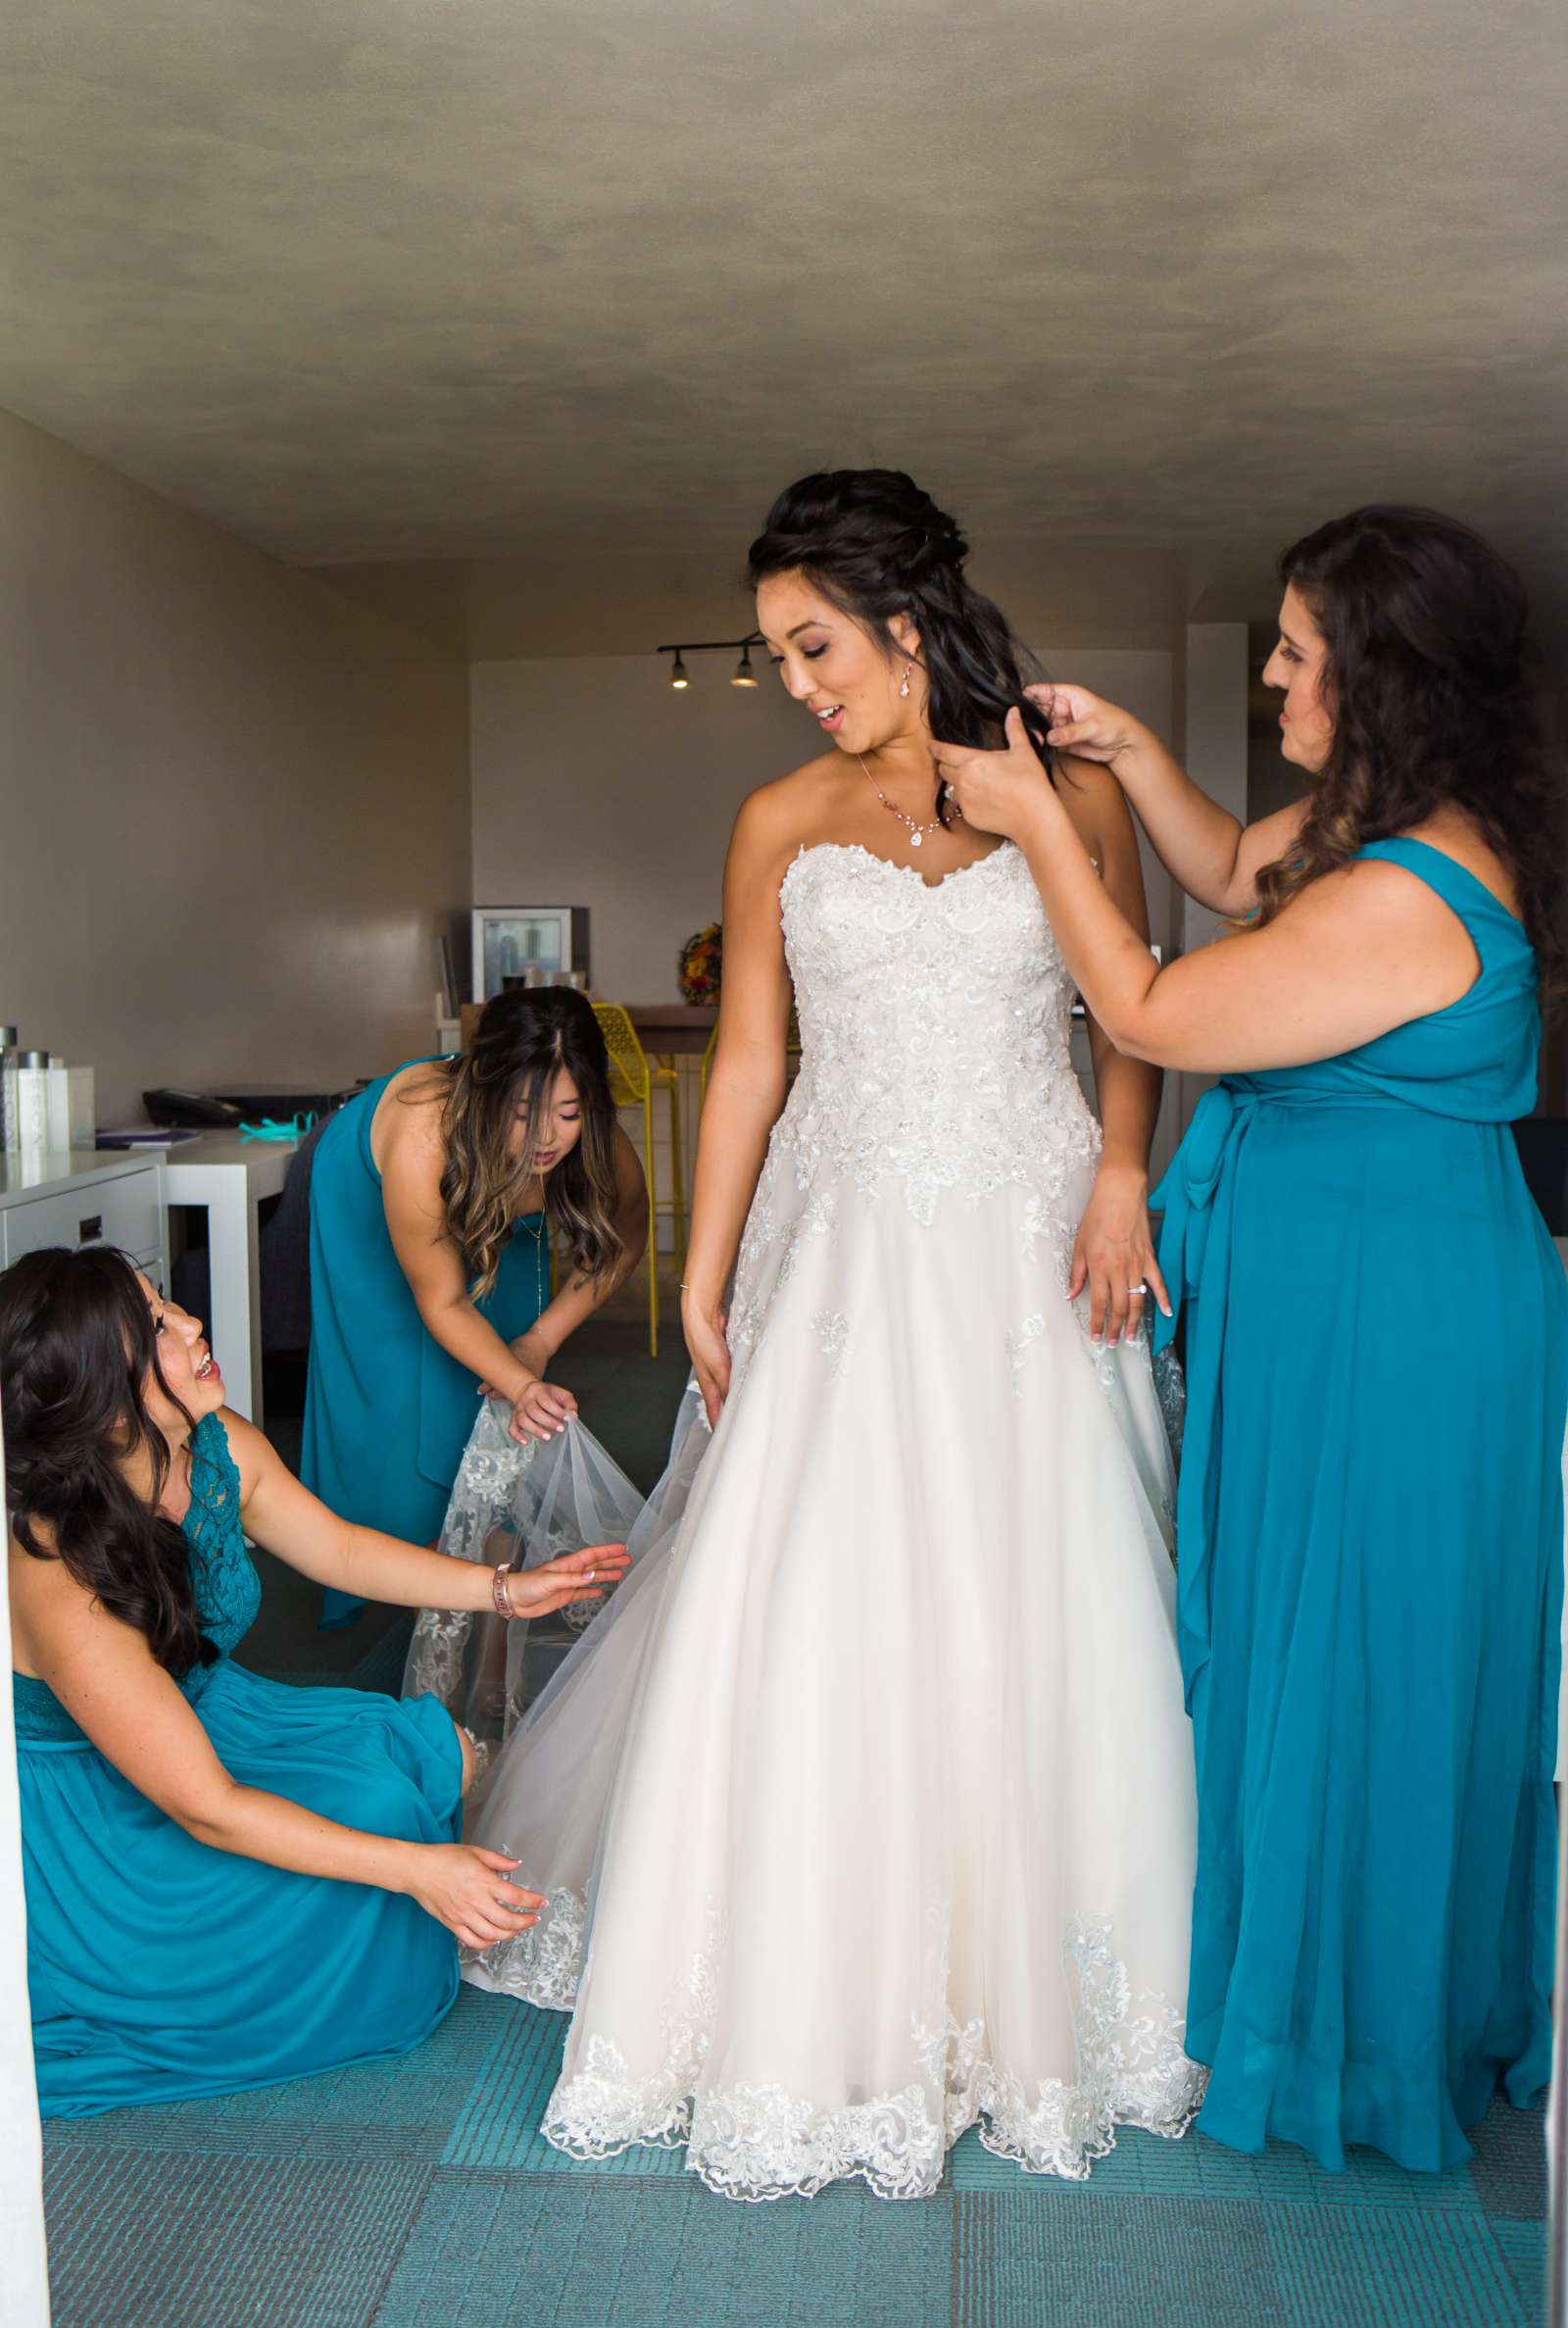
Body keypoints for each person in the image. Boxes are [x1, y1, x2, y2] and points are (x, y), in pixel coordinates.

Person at [462, 469, 1204, 2202]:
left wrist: (1121, 1177)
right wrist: (705, 1272)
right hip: (848, 1240)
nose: (797, 681)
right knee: (814, 1591)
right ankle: (804, 1975)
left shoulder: (1065, 784)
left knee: (1052, 1584)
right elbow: (749, 1066)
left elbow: (1134, 1007)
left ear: (905, 616)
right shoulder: (781, 816)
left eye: (813, 644)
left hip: (1032, 1235)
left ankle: (1059, 1982)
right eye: (777, 653)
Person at [932, 504, 1568, 2173]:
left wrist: (1033, 825)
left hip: (1395, 1332)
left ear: (1376, 682)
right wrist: (1131, 759)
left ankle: (1347, 2048)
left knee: (1362, 1656)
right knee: (1321, 1640)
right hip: (1359, 1297)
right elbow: (1229, 869)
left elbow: (1147, 1011)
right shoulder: (1388, 823)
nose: (1276, 673)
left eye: (1297, 653)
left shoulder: (1406, 898)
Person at [5, 1245, 627, 2117]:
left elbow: (335, 1548)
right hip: (106, 1806)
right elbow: (204, 1806)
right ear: (98, 1398)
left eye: (170, 1305)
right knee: (390, 1832)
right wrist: (416, 1871)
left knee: (425, 1758)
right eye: (155, 1329)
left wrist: (506, 1592)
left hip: (208, 1713)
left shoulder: (214, 1445)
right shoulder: (57, 1566)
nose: (192, 1325)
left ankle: (368, 1902)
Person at [302, 985, 647, 1625]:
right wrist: (518, 1380)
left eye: (568, 1113)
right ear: (488, 1090)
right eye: (524, 1113)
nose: (547, 1138)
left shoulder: (587, 1137)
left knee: (498, 1370)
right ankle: (405, 1571)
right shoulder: (425, 1137)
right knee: (404, 1379)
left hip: (480, 1194)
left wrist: (538, 1344)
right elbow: (444, 1300)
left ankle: (489, 1568)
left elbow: (628, 1228)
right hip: (374, 1195)